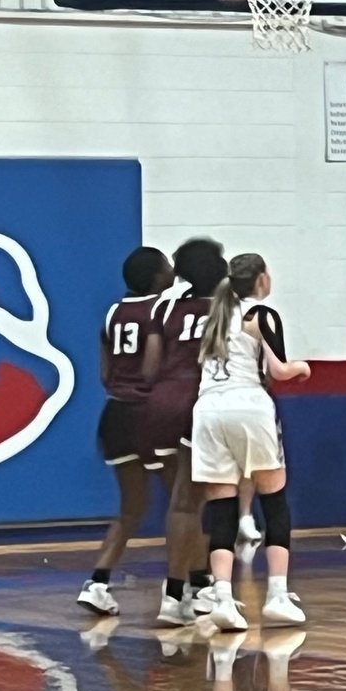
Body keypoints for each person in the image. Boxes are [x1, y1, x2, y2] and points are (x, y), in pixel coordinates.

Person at [193, 253, 311, 630]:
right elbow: (279, 370)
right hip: (248, 404)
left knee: (223, 508)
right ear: (261, 279)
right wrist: (303, 368)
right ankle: (277, 595)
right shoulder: (261, 314)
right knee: (274, 500)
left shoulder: (212, 317)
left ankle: (223, 599)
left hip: (207, 409)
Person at [77, 247, 175, 616]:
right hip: (150, 413)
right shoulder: (161, 311)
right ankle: (187, 587)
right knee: (184, 504)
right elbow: (151, 369)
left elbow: (105, 373)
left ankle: (97, 583)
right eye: (167, 266)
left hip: (115, 413)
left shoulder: (113, 312)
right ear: (157, 276)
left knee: (131, 507)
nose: (172, 271)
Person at [140, 237, 228, 625]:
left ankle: (194, 582)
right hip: (203, 402)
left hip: (162, 403)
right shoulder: (229, 309)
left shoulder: (165, 306)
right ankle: (179, 594)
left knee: (184, 500)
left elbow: (150, 367)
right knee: (202, 500)